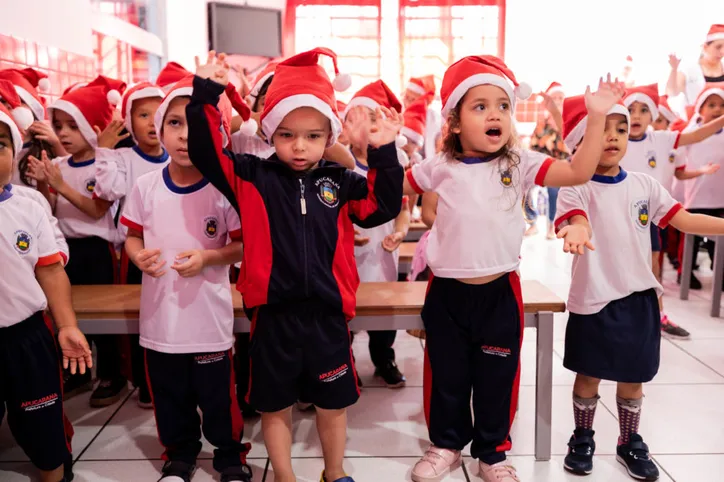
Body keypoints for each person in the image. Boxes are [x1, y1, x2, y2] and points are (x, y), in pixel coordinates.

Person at [402, 54, 624, 482]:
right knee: (446, 375)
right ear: (453, 121)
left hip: (500, 292)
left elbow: (579, 170)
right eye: (480, 106)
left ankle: (492, 452)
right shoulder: (439, 166)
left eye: (503, 105)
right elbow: (399, 187)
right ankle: (446, 445)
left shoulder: (519, 163)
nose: (495, 115)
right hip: (447, 292)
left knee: (496, 376)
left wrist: (596, 119)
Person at [187, 49, 404, 482]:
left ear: (329, 137)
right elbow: (207, 153)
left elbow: (380, 206)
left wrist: (383, 153)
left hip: (326, 315)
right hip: (273, 316)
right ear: (270, 131)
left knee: (333, 402)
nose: (299, 146)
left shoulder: (339, 181)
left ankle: (335, 471)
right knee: (274, 404)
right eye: (287, 135)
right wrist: (205, 94)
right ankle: (284, 475)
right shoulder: (251, 177)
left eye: (311, 136)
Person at [555, 92, 724, 481]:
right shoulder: (576, 186)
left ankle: (629, 441)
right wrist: (577, 229)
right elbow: (572, 218)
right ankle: (582, 437)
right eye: (601, 130)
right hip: (593, 300)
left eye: (621, 129)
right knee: (588, 375)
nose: (613, 137)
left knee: (634, 378)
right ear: (579, 144)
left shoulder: (644, 185)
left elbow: (684, 220)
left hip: (638, 300)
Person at [119, 74, 251, 482]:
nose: (184, 135)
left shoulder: (221, 190)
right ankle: (179, 454)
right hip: (160, 320)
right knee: (169, 395)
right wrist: (138, 257)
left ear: (219, 135)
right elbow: (133, 236)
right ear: (159, 128)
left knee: (217, 396)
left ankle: (229, 455)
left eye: (197, 125)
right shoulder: (145, 186)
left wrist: (209, 257)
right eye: (174, 123)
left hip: (207, 320)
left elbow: (243, 246)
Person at [0, 87, 93, 482]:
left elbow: (51, 270)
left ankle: (53, 474)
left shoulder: (29, 204)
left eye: (0, 145)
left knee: (42, 424)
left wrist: (68, 324)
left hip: (27, 338)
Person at [27, 76, 129, 408]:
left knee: (106, 319)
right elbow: (51, 209)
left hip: (96, 250)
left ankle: (112, 373)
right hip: (65, 249)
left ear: (92, 126)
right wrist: (46, 185)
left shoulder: (102, 163)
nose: (65, 134)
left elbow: (96, 208)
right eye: (59, 126)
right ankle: (80, 370)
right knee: (69, 313)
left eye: (73, 125)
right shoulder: (57, 164)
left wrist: (60, 184)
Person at [620, 83, 724, 337]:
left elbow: (697, 136)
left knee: (654, 262)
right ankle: (621, 314)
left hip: (652, 215)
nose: (636, 115)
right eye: (630, 109)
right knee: (621, 265)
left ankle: (657, 313)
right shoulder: (614, 139)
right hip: (619, 214)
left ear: (653, 115)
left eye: (643, 110)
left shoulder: (663, 139)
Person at [343, 79, 411, 388]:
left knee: (384, 312)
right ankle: (346, 364)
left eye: (374, 120)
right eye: (357, 120)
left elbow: (403, 209)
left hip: (382, 252)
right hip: (347, 257)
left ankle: (384, 358)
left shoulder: (393, 165)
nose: (367, 129)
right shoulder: (341, 167)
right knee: (347, 315)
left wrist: (400, 232)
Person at [678, 84, 724, 290]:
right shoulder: (691, 131)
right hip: (697, 193)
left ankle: (720, 272)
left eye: (722, 105)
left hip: (720, 194)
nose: (717, 109)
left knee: (719, 235)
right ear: (700, 108)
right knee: (691, 236)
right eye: (711, 105)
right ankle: (684, 273)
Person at [0, 68, 66, 187]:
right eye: (3, 101)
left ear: (33, 109)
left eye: (19, 101)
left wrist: (57, 144)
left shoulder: (46, 145)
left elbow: (70, 174)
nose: (10, 106)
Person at [529, 82, 569, 239]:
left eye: (561, 97)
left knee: (554, 191)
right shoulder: (542, 122)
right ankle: (532, 223)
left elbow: (569, 147)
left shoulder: (567, 121)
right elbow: (534, 144)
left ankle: (552, 225)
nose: (558, 100)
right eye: (555, 97)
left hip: (561, 166)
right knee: (526, 188)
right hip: (542, 163)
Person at [666, 24, 724, 111]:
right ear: (705, 46)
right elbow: (672, 92)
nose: (722, 52)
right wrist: (674, 69)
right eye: (718, 47)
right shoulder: (690, 71)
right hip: (697, 120)